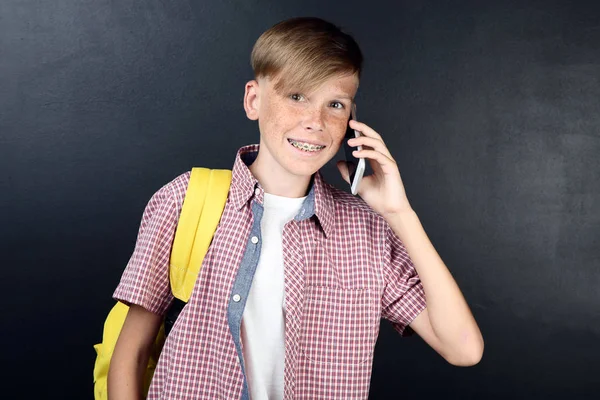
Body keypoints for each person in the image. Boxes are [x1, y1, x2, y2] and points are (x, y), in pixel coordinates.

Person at [107, 16, 484, 400]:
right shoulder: (184, 200)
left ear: (351, 121)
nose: (315, 122)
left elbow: (464, 348)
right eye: (297, 96)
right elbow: (131, 353)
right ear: (254, 99)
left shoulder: (365, 232)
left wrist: (400, 214)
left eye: (335, 104)